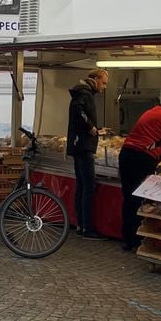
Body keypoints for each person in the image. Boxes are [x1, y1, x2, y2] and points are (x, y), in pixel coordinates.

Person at [119, 92, 161, 252]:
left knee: (129, 198)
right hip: (141, 159)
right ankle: (138, 239)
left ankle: (127, 239)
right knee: (140, 199)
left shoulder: (152, 112)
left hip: (127, 154)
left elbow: (156, 142)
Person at [67, 68, 109, 240]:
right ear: (96, 79)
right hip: (84, 147)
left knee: (82, 186)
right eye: (104, 83)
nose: (104, 87)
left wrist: (97, 130)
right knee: (88, 187)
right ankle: (87, 228)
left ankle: (79, 224)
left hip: (78, 145)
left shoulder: (81, 92)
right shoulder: (84, 93)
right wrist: (91, 127)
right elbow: (79, 112)